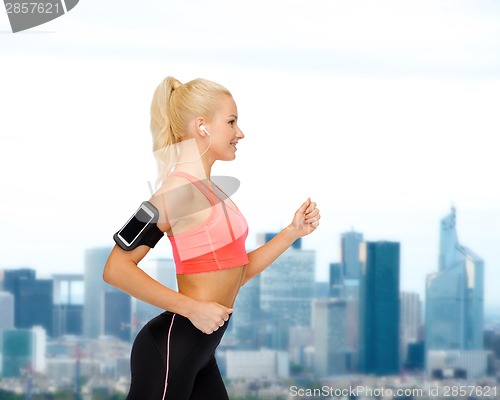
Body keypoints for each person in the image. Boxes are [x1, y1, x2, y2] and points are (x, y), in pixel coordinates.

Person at [103, 76, 321, 400]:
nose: (240, 133)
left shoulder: (215, 193)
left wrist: (291, 233)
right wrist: (192, 308)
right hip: (169, 350)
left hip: (201, 350)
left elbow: (236, 273)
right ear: (202, 126)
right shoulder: (176, 191)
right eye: (232, 122)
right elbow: (116, 268)